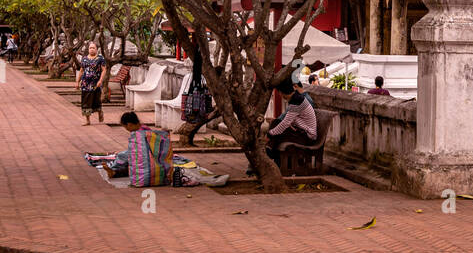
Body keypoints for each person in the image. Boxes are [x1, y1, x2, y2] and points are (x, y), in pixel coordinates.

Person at [84, 112, 227, 186]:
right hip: (144, 157)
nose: (127, 130)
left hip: (149, 156)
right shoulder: (142, 130)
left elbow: (138, 150)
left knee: (124, 158)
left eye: (126, 127)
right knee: (130, 164)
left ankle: (114, 170)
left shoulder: (140, 133)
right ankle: (114, 172)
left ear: (130, 124)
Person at [262, 77, 318, 166]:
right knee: (276, 124)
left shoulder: (297, 101)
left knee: (276, 134)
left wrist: (269, 134)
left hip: (307, 136)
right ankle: (270, 152)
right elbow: (289, 121)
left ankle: (269, 152)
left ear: (281, 92)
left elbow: (285, 123)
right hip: (300, 131)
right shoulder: (296, 98)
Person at [76, 42, 107, 125]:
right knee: (85, 101)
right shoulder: (85, 59)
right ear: (88, 49)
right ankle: (87, 120)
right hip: (85, 83)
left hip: (95, 83)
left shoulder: (100, 58)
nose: (92, 49)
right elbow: (82, 70)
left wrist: (100, 80)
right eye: (90, 48)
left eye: (93, 48)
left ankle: (100, 111)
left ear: (96, 49)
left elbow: (104, 70)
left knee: (96, 101)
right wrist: (77, 81)